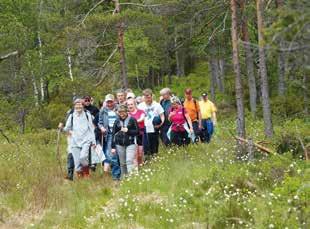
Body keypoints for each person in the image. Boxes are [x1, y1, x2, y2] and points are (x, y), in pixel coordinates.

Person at [62, 98, 96, 178]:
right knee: (77, 165)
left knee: (83, 157)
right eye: (76, 105)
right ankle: (82, 182)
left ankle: (86, 174)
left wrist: (93, 142)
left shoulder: (88, 115)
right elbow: (67, 128)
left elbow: (92, 129)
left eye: (80, 105)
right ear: (74, 106)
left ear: (83, 106)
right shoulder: (71, 116)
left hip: (86, 140)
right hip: (74, 141)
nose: (78, 107)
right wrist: (61, 128)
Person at [111, 105, 139, 178]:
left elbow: (137, 132)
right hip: (119, 144)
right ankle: (124, 179)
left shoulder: (132, 119)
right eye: (120, 112)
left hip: (130, 143)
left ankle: (131, 178)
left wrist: (128, 131)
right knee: (122, 163)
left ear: (127, 112)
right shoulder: (117, 121)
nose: (122, 114)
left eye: (123, 112)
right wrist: (113, 147)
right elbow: (113, 134)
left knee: (129, 161)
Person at [98, 94, 121, 180]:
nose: (109, 104)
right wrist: (102, 128)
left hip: (119, 133)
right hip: (109, 134)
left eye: (111, 101)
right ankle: (116, 175)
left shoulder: (119, 108)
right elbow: (99, 122)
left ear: (114, 101)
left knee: (119, 154)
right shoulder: (103, 110)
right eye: (108, 102)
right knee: (112, 155)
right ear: (105, 102)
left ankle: (120, 173)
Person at [138, 89, 165, 159]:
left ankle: (155, 158)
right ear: (143, 97)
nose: (148, 99)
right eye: (146, 97)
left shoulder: (157, 105)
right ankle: (147, 159)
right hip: (145, 128)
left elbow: (162, 115)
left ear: (152, 96)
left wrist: (160, 124)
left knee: (154, 145)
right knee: (146, 146)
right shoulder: (140, 106)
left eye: (149, 97)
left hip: (154, 127)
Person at [127, 98, 145, 166]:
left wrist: (133, 122)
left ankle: (141, 166)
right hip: (132, 135)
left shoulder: (141, 111)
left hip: (141, 134)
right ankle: (136, 170)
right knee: (135, 154)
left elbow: (141, 119)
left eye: (131, 104)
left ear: (135, 104)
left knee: (140, 154)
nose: (130, 106)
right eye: (128, 105)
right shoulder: (127, 114)